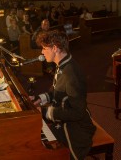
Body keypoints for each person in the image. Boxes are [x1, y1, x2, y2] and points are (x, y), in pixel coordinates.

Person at [30, 30, 96, 160]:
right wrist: (40, 99)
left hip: (77, 129)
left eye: (44, 48)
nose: (42, 52)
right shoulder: (63, 64)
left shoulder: (71, 74)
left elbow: (78, 112)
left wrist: (45, 112)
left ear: (55, 48)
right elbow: (57, 91)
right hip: (64, 121)